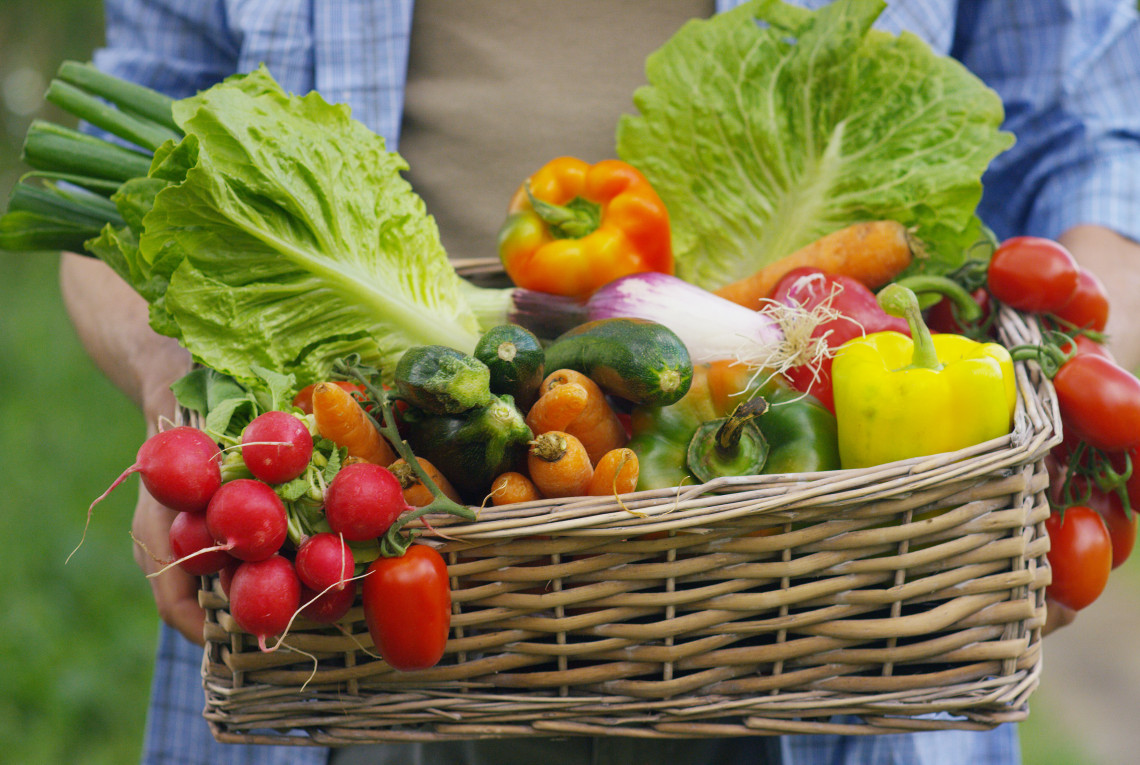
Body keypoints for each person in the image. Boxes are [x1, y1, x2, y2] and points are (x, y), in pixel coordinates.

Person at [59, 1, 1140, 763]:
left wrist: (1077, 394)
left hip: (838, 645)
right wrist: (184, 411)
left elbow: (1090, 135)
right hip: (349, 594)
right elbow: (124, 162)